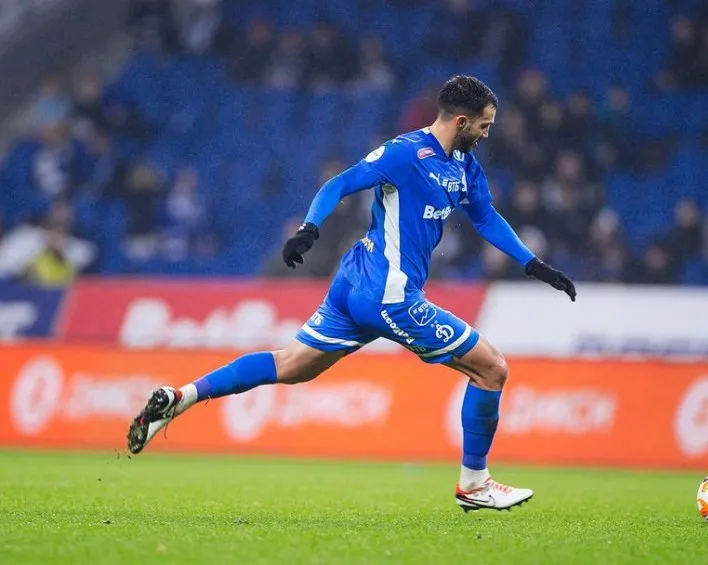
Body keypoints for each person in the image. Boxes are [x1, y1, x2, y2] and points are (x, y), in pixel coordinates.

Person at [125, 76, 576, 512]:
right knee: (491, 369)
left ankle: (181, 397)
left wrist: (532, 263)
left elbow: (485, 217)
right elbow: (339, 183)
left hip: (356, 282)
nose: (486, 134)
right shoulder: (404, 153)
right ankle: (475, 483)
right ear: (461, 121)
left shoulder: (464, 166)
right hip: (388, 292)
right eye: (483, 125)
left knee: (292, 365)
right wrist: (309, 228)